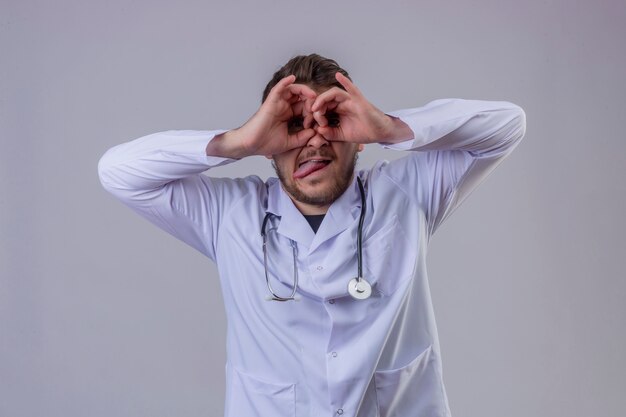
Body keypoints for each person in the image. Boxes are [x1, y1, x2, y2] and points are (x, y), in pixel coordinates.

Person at [98, 53, 526, 417]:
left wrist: (388, 128)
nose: (314, 141)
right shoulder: (230, 215)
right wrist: (238, 141)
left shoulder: (406, 196)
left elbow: (508, 125)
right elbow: (117, 173)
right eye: (294, 126)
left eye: (333, 121)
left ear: (358, 139)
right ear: (269, 143)